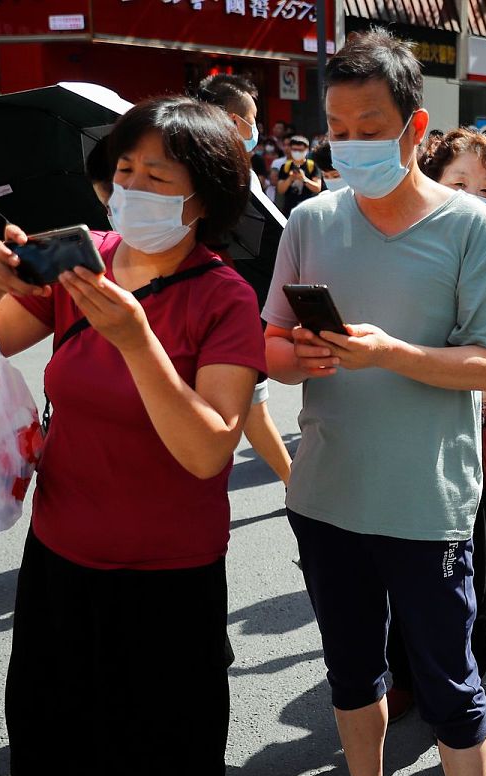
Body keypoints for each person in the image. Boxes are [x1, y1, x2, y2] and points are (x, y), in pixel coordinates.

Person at [0, 95, 262, 776]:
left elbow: (207, 450)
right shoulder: (86, 264)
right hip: (63, 544)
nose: (133, 190)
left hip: (172, 565)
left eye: (159, 176)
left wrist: (139, 342)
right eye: (123, 172)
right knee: (49, 718)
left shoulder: (224, 297)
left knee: (167, 732)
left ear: (205, 196)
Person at [260, 30, 486, 776]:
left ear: (413, 128)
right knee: (350, 669)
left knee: (450, 685)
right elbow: (268, 342)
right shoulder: (310, 221)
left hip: (426, 502)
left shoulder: (470, 226)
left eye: (370, 123)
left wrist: (390, 353)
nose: (349, 139)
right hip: (327, 491)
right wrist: (306, 351)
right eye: (336, 124)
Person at [384, 127, 486, 710]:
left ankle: (457, 679)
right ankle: (398, 676)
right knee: (395, 562)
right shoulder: (402, 259)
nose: (471, 198)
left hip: (467, 451)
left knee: (461, 572)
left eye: (485, 189)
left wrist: (462, 381)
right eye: (457, 183)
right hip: (398, 440)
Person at [197, 73, 294, 489]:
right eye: (252, 119)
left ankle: (298, 487)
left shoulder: (241, 172)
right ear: (234, 122)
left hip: (237, 301)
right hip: (224, 305)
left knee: (249, 408)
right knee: (250, 408)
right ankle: (301, 491)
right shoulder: (215, 177)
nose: (255, 128)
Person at [276, 134, 322, 215]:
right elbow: (280, 190)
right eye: (294, 149)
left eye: (300, 150)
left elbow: (317, 187)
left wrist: (303, 179)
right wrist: (290, 179)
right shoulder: (285, 166)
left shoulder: (312, 166)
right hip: (289, 210)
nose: (297, 152)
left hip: (308, 209)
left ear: (306, 150)